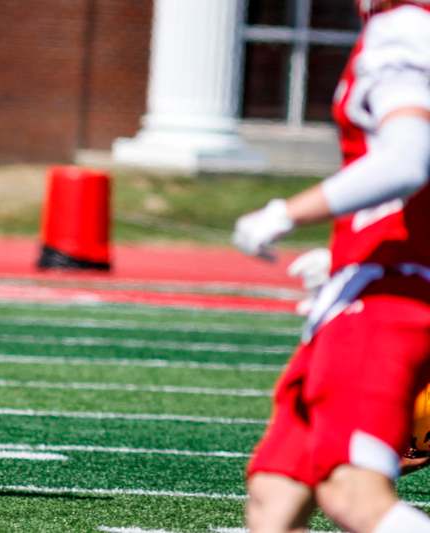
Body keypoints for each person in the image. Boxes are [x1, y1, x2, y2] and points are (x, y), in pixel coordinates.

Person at [232, 1, 430, 531]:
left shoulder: (407, 27)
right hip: (374, 279)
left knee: (354, 496)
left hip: (383, 298)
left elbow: (406, 160)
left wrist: (285, 213)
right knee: (275, 494)